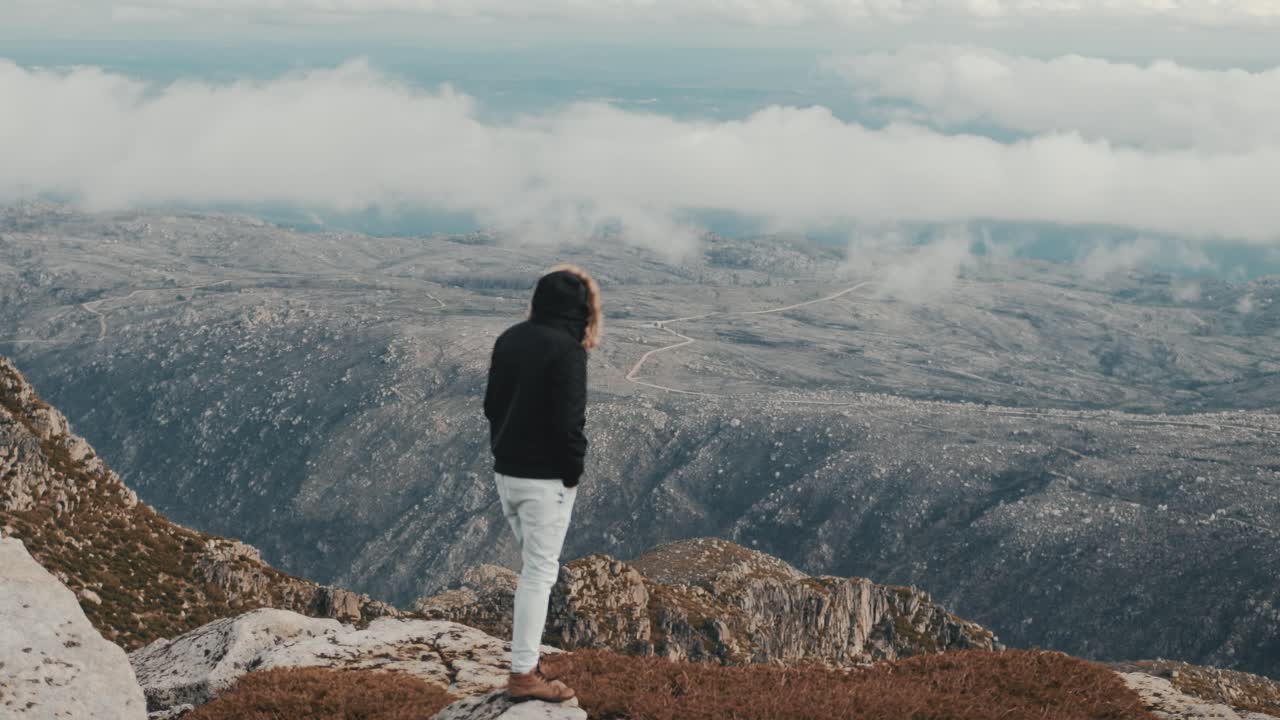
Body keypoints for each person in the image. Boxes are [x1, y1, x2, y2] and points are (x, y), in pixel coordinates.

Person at [483, 264, 601, 703]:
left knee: (533, 567)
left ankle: (527, 662)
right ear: (581, 310)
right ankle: (522, 676)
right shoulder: (568, 351)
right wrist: (572, 473)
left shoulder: (510, 338)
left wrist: (504, 448)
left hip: (507, 474)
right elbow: (570, 422)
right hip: (544, 480)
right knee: (539, 574)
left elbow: (491, 405)